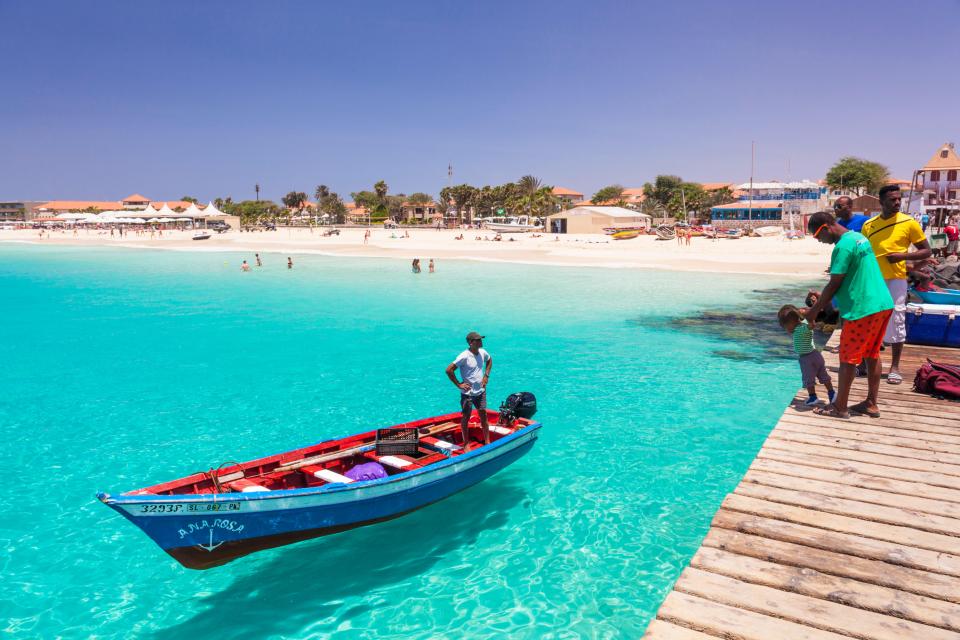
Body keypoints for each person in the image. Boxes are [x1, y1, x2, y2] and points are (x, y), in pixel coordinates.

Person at [804, 211, 893, 418]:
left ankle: (840, 407)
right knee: (871, 354)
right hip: (882, 303)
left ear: (826, 228)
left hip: (862, 309)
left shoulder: (842, 246)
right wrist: (826, 301)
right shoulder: (858, 237)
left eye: (817, 236)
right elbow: (853, 277)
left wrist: (813, 312)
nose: (819, 241)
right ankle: (871, 403)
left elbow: (835, 283)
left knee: (847, 359)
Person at [861, 185, 931, 385]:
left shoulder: (909, 223)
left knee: (897, 319)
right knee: (869, 321)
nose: (897, 202)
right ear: (881, 202)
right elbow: (863, 253)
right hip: (872, 281)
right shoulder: (869, 225)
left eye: (899, 199)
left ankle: (895, 367)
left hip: (896, 279)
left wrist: (903, 256)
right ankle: (866, 363)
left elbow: (926, 251)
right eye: (892, 199)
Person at [778, 304, 836, 406]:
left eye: (786, 327)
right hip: (816, 355)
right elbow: (809, 323)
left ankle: (813, 397)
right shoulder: (802, 325)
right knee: (823, 376)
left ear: (792, 322)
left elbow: (811, 325)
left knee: (808, 379)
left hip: (807, 358)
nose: (786, 329)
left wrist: (809, 319)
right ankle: (832, 393)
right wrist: (806, 314)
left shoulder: (801, 328)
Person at [445, 332, 493, 449]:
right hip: (468, 394)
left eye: (481, 339)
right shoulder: (464, 356)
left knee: (483, 415)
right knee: (466, 417)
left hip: (481, 391)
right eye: (478, 340)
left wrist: (486, 375)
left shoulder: (482, 352)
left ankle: (487, 441)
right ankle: (466, 444)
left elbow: (490, 360)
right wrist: (459, 384)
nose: (481, 341)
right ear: (471, 343)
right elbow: (449, 370)